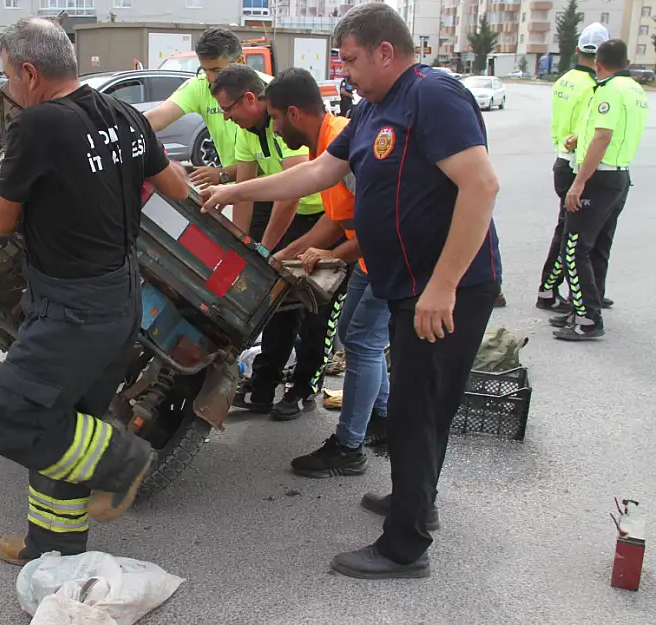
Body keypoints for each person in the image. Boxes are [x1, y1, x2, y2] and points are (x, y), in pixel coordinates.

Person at [200, 3, 501, 579]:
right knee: (424, 404)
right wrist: (233, 192)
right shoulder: (371, 109)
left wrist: (444, 285)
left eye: (354, 59)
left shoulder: (433, 97)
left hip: (445, 287)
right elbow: (316, 175)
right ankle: (418, 500)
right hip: (407, 283)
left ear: (386, 51)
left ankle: (404, 546)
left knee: (417, 409)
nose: (347, 72)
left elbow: (481, 186)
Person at [0, 17, 189, 566]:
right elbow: (175, 187)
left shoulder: (38, 125)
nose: (7, 89)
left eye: (7, 77)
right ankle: (53, 548)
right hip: (121, 300)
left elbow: (0, 221)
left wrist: (5, 187)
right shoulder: (125, 115)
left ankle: (123, 462)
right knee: (68, 424)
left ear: (29, 72)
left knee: (7, 418)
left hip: (71, 309)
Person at [259, 67, 391, 478]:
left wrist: (330, 253)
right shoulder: (329, 142)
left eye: (276, 118)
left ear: (294, 113)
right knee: (354, 334)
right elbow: (335, 220)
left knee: (363, 343)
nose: (275, 129)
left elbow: (375, 230)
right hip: (372, 259)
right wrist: (286, 253)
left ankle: (349, 447)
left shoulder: (342, 143)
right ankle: (383, 419)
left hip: (389, 257)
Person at [209, 64, 344, 420]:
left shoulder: (291, 124)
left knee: (316, 308)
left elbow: (292, 192)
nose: (227, 118)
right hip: (303, 220)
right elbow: (245, 194)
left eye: (228, 110)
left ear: (250, 99)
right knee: (279, 305)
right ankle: (264, 383)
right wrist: (244, 244)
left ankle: (304, 387)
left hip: (322, 216)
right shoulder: (246, 130)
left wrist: (266, 251)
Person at [551, 38, 648, 340]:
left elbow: (603, 136)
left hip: (599, 177)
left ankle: (587, 318)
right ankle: (581, 307)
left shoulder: (608, 90)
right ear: (627, 63)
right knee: (597, 247)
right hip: (619, 177)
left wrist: (579, 182)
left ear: (598, 64)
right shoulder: (636, 90)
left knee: (573, 248)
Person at [537, 23, 611, 313]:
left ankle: (559, 289)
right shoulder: (594, 87)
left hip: (560, 159)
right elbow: (590, 129)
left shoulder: (564, 80)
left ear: (578, 49)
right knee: (571, 235)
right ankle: (552, 290)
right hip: (577, 161)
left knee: (566, 229)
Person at [145, 27, 272, 191]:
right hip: (241, 188)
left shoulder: (269, 90)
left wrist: (223, 175)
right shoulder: (200, 86)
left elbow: (274, 161)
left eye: (217, 70)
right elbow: (155, 118)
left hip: (274, 189)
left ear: (240, 61)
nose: (211, 79)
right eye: (205, 70)